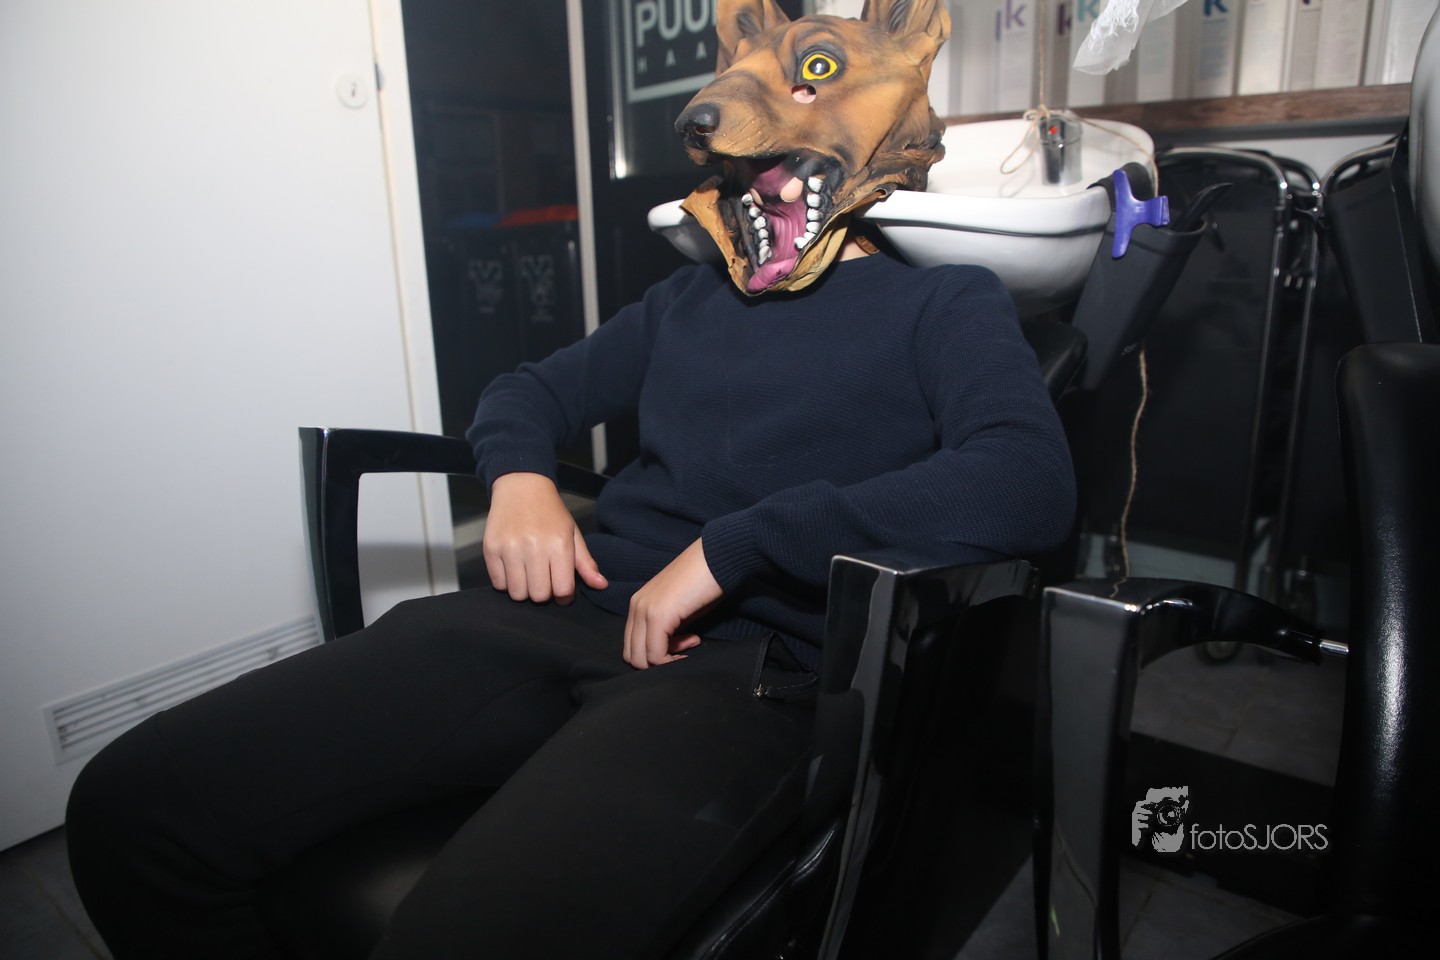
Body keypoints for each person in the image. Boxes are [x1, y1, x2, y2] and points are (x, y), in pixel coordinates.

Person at [65, 1, 1075, 957]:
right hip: (564, 609)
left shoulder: (947, 303)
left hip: (749, 673)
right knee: (134, 807)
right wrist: (519, 482)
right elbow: (524, 392)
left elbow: (1027, 480)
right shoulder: (684, 301)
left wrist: (738, 547)